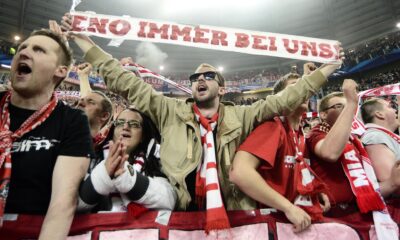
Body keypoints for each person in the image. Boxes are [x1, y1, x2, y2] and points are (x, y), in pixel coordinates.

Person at [60, 15, 341, 230]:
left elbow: (283, 100)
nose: (200, 80)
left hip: (235, 215)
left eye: (208, 77)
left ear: (222, 88)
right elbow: (126, 83)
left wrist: (326, 70)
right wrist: (86, 42)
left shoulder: (243, 115)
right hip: (179, 214)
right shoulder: (168, 110)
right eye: (195, 79)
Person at [0, 28, 92, 239]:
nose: (23, 53)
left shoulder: (72, 121)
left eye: (38, 50)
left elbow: (63, 203)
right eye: (22, 47)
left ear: (60, 71)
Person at [230, 64, 330, 233]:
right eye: (294, 88)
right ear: (283, 97)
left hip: (294, 224)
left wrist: (314, 192)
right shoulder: (273, 127)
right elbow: (239, 172)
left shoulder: (300, 135)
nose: (302, 92)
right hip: (274, 224)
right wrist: (288, 207)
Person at [306, 80, 386, 217]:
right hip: (337, 215)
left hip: (361, 210)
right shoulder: (316, 134)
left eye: (347, 105)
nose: (347, 109)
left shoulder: (354, 138)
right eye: (340, 106)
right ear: (324, 114)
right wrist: (350, 103)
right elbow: (330, 153)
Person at [78, 107, 176, 212]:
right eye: (120, 122)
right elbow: (74, 203)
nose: (125, 127)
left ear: (143, 135)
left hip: (142, 227)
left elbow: (170, 200)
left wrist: (127, 177)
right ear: (113, 130)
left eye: (134, 124)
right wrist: (104, 172)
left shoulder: (156, 159)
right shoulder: (92, 158)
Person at [360, 98, 400, 197]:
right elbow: (390, 179)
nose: (395, 110)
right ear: (379, 114)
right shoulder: (375, 137)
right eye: (390, 107)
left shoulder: (382, 135)